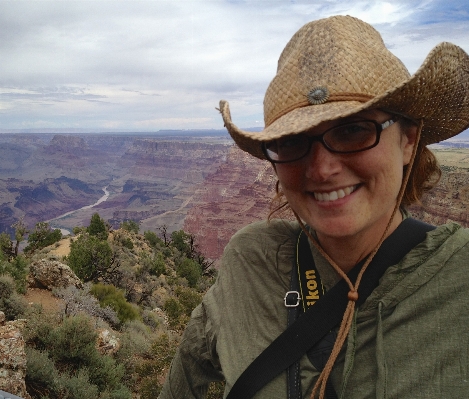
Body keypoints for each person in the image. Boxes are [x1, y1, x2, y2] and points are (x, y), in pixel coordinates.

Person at [159, 15, 469, 399]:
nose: (322, 169)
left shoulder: (459, 281)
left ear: (408, 140)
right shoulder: (250, 263)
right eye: (292, 141)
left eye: (353, 129)